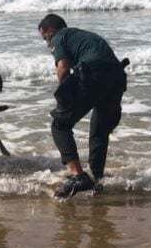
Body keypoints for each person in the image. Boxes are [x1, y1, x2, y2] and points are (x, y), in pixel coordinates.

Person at [38, 14, 128, 198]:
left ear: (50, 31)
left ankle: (78, 176)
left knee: (59, 125)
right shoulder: (82, 36)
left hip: (95, 75)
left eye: (45, 38)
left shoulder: (58, 37)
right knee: (99, 131)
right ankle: (97, 180)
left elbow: (62, 67)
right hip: (117, 77)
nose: (47, 44)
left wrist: (62, 96)